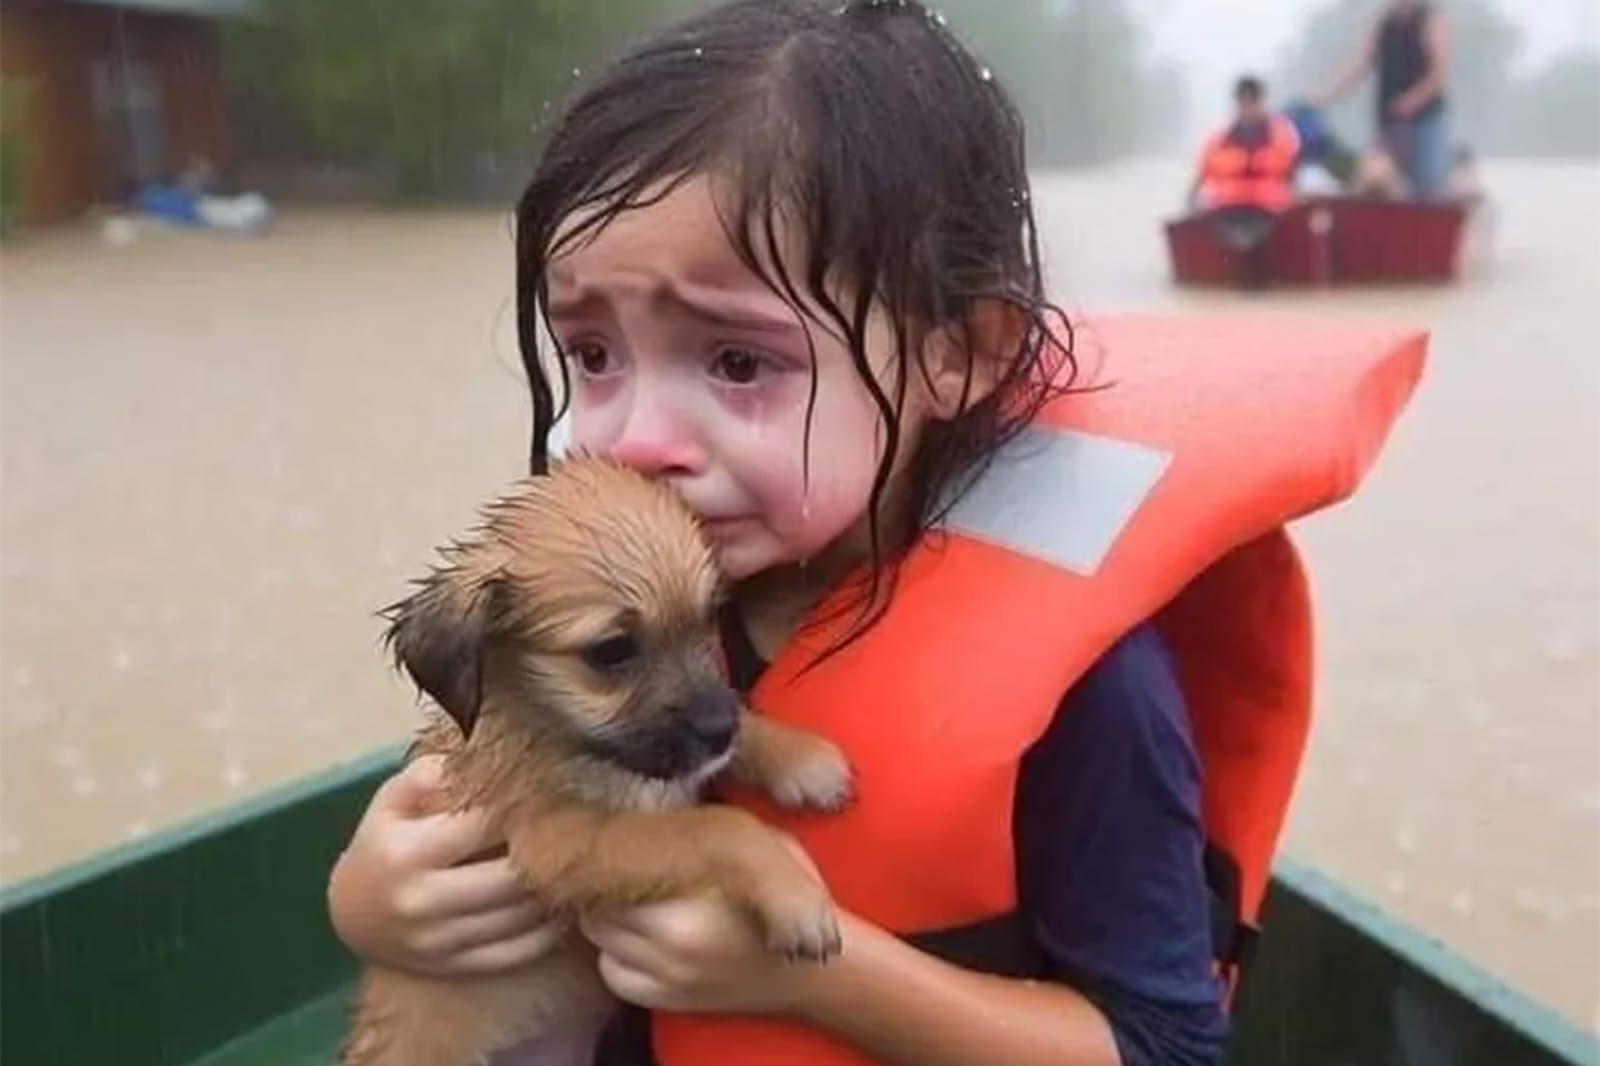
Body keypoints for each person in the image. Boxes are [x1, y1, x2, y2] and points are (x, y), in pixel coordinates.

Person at [325, 3, 1419, 1065]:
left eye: (738, 361)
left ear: (959, 352)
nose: (639, 437)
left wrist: (815, 972)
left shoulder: (1093, 692)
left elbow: (1165, 1045)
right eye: (595, 355)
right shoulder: (625, 581)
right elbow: (495, 801)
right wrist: (373, 900)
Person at [1315, 0, 1452, 200]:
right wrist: (1327, 95)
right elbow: (1361, 64)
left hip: (1426, 119)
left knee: (1427, 184)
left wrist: (1412, 100)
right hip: (1390, 119)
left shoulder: (1432, 19)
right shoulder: (1384, 22)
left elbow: (1439, 74)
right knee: (1376, 183)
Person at [1189, 76, 1302, 216]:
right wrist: (1192, 205)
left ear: (1262, 101)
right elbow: (1199, 181)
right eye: (1242, 99)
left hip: (1271, 211)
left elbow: (1294, 177)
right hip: (1224, 212)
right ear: (1237, 103)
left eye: (1253, 98)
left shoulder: (1284, 136)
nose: (1247, 104)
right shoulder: (1218, 140)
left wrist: (1295, 207)